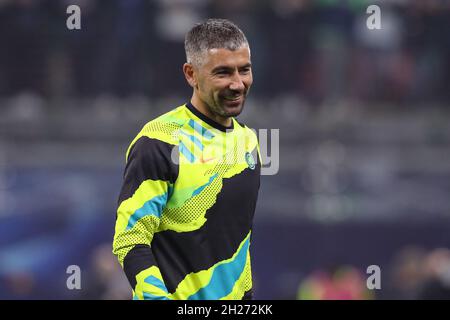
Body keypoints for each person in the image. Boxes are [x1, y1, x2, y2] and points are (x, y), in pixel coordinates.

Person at [112, 18, 261, 300]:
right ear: (191, 74)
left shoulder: (249, 142)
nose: (238, 84)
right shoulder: (158, 141)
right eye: (223, 73)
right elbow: (130, 239)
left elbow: (236, 241)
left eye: (244, 70)